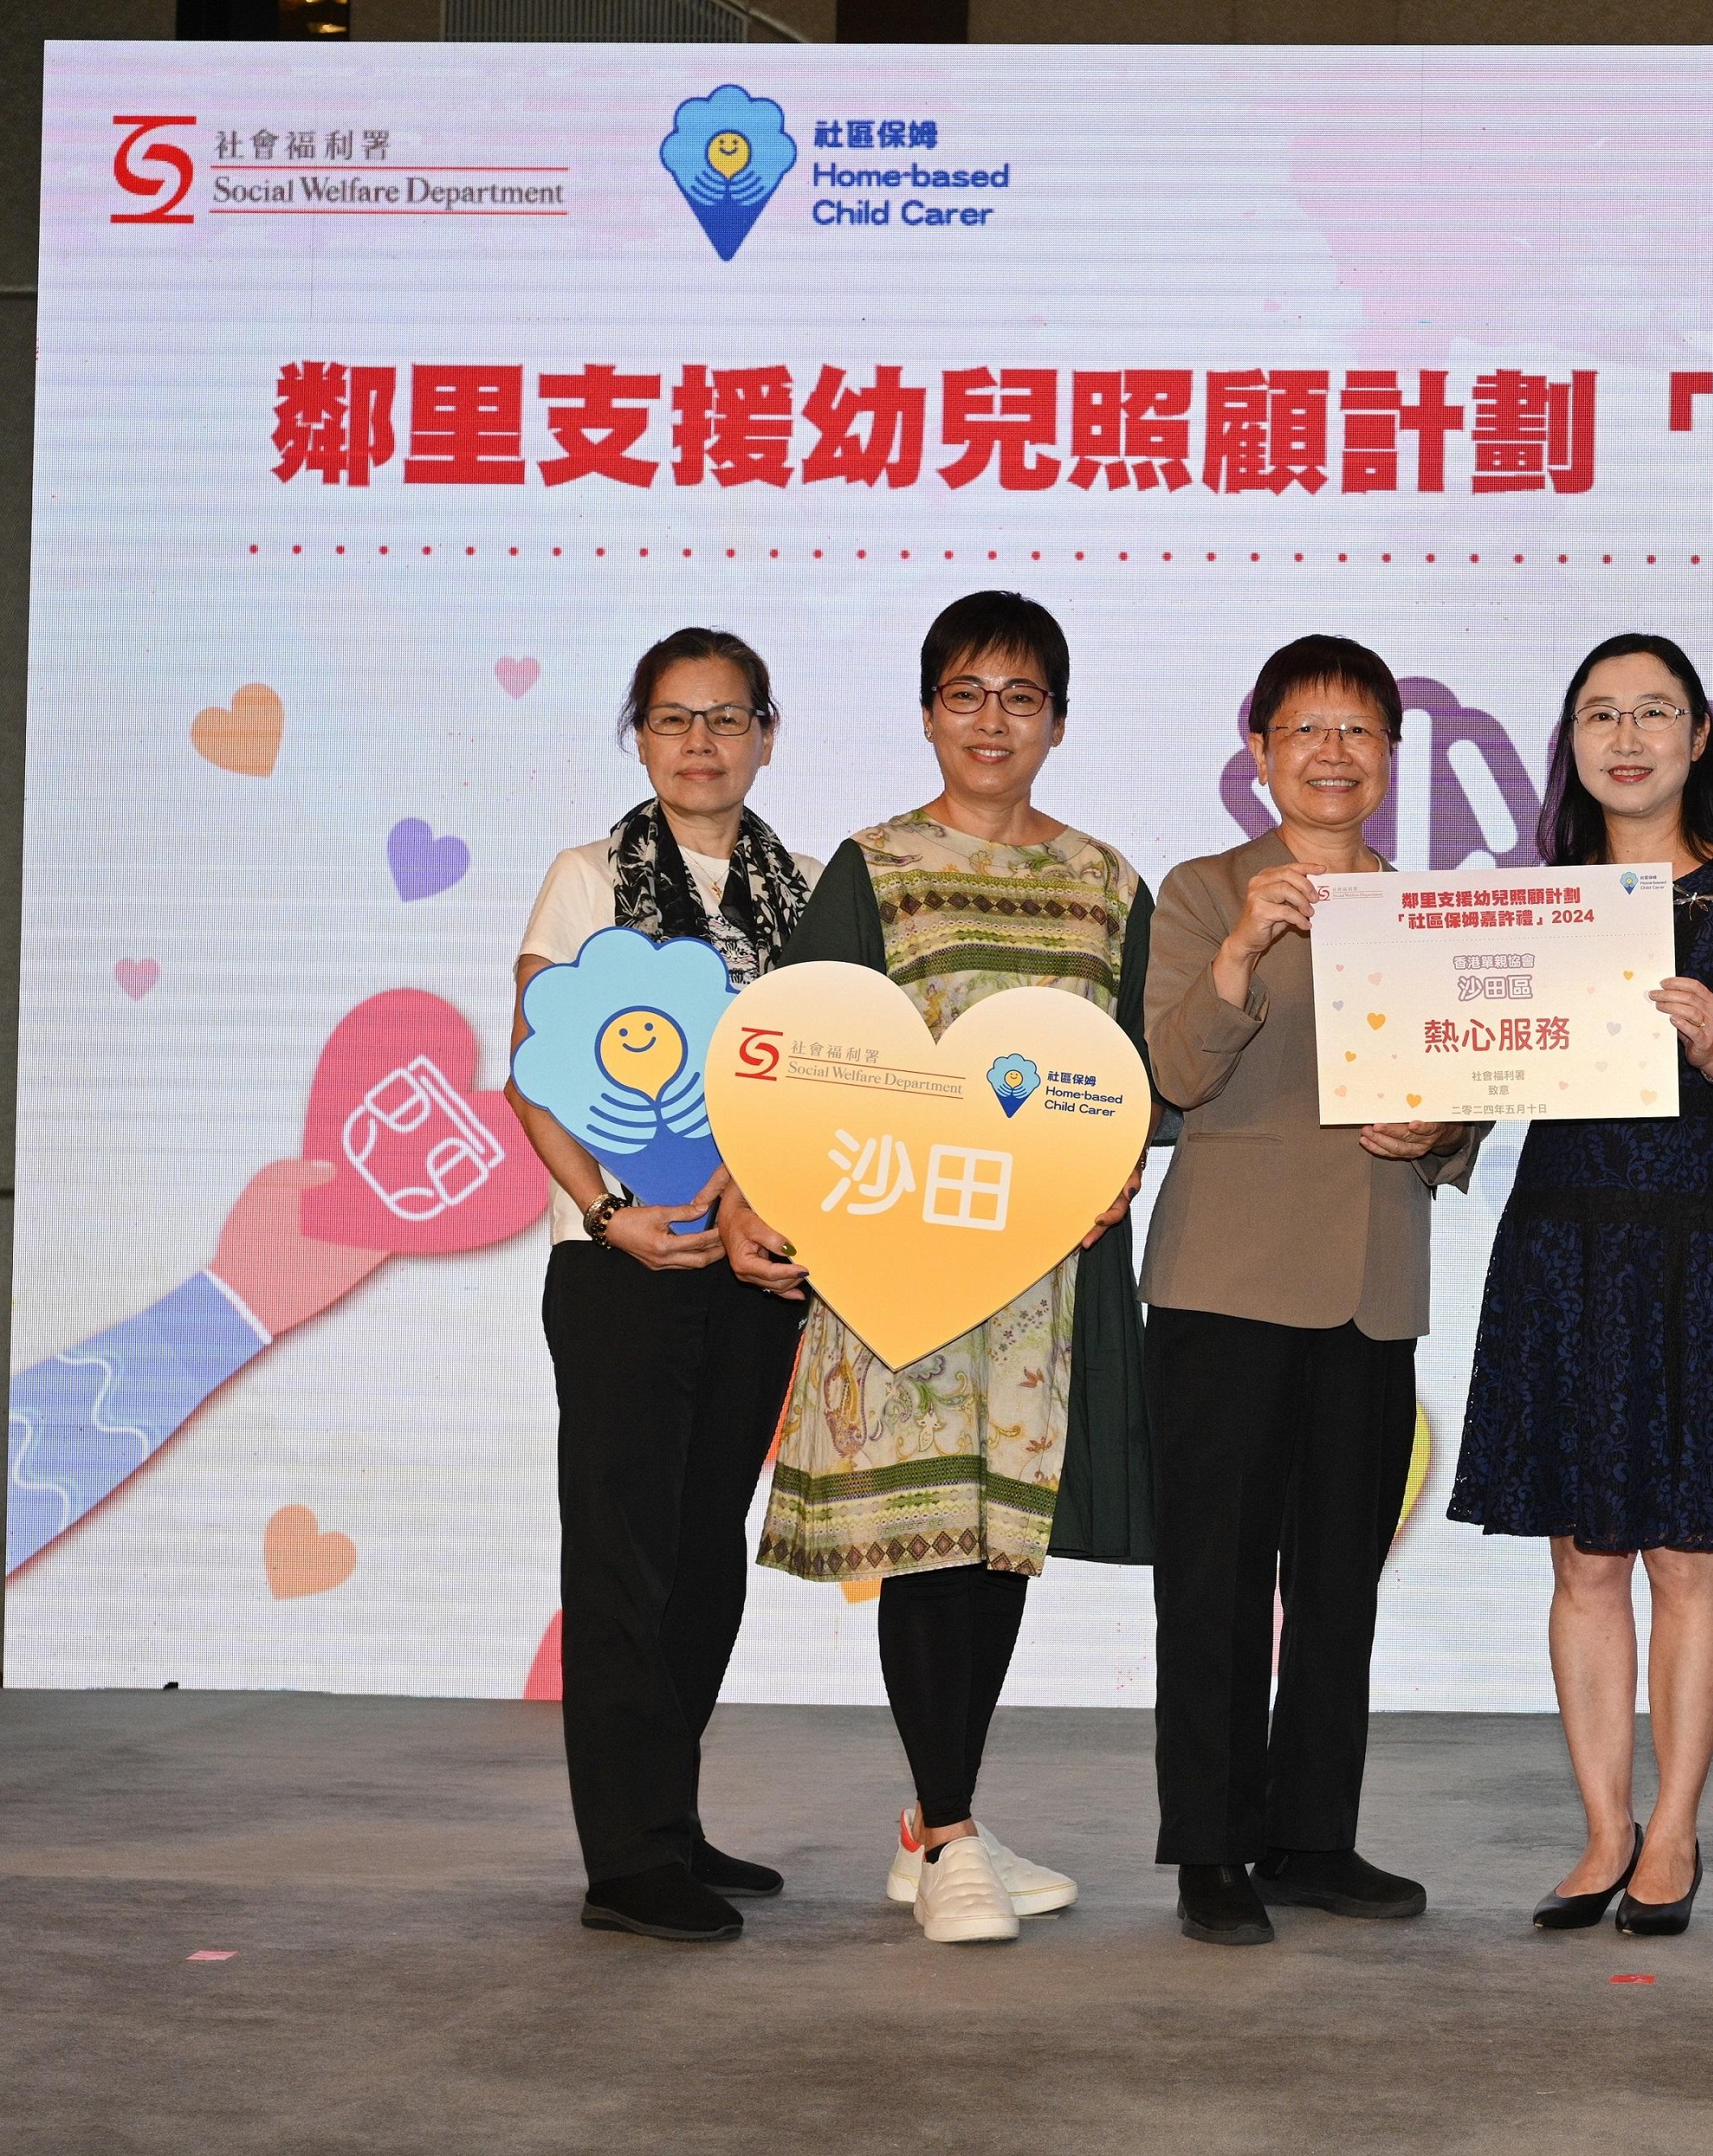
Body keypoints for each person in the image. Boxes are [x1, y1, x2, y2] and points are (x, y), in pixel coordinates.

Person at [721, 591, 1153, 1948]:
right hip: (899, 1247)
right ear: (927, 713)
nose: (991, 721)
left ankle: (936, 1825)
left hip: (1041, 1280)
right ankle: (954, 1827)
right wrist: (747, 1194)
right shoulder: (875, 865)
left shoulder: (1106, 882)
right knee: (923, 1535)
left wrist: (1115, 1166)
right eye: (966, 693)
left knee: (996, 1541)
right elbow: (793, 1053)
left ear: (1060, 723)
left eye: (1020, 698)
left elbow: (1131, 1074)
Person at [1448, 633, 1713, 1938]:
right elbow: (1470, 1067)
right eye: (1601, 711)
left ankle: (1674, 1832)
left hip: (1698, 1240)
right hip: (1563, 1239)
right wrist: (1419, 1108)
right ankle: (1603, 1827)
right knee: (1584, 1556)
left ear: (1701, 737)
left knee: (1684, 1554)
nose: (1629, 734)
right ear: (1573, 741)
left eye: (1656, 710)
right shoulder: (1533, 899)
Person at [1141, 634, 1477, 1947]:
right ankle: (1212, 1849)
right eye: (1306, 730)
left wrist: (1438, 1137)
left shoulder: (1432, 908)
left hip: (1371, 1286)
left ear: (1391, 759)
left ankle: (1312, 1836)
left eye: (1360, 732)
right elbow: (1167, 1078)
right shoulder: (1200, 889)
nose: (1333, 753)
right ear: (1260, 752)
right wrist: (1239, 950)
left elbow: (1473, 1091)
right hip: (1226, 1282)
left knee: (1341, 1579)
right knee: (1214, 1580)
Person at [508, 627, 817, 1944]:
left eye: (728, 717)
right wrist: (612, 1212)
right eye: (674, 718)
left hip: (752, 1274)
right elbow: (538, 1064)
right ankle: (624, 1858)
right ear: (638, 732)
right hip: (623, 1271)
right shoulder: (589, 875)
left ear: (765, 732)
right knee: (626, 1559)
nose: (701, 742)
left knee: (706, 1561)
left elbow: (823, 1074)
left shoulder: (803, 888)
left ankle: (671, 1816)